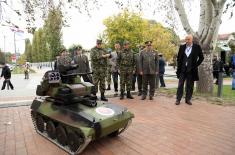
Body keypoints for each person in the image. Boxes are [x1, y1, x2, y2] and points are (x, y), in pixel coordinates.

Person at [175, 34, 204, 105]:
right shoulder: (182, 47)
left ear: (192, 40)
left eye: (188, 39)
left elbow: (201, 57)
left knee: (190, 86)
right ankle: (178, 99)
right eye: (186, 39)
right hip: (182, 70)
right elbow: (178, 58)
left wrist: (196, 65)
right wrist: (180, 66)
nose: (187, 41)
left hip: (191, 70)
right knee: (180, 85)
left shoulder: (197, 47)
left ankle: (188, 99)